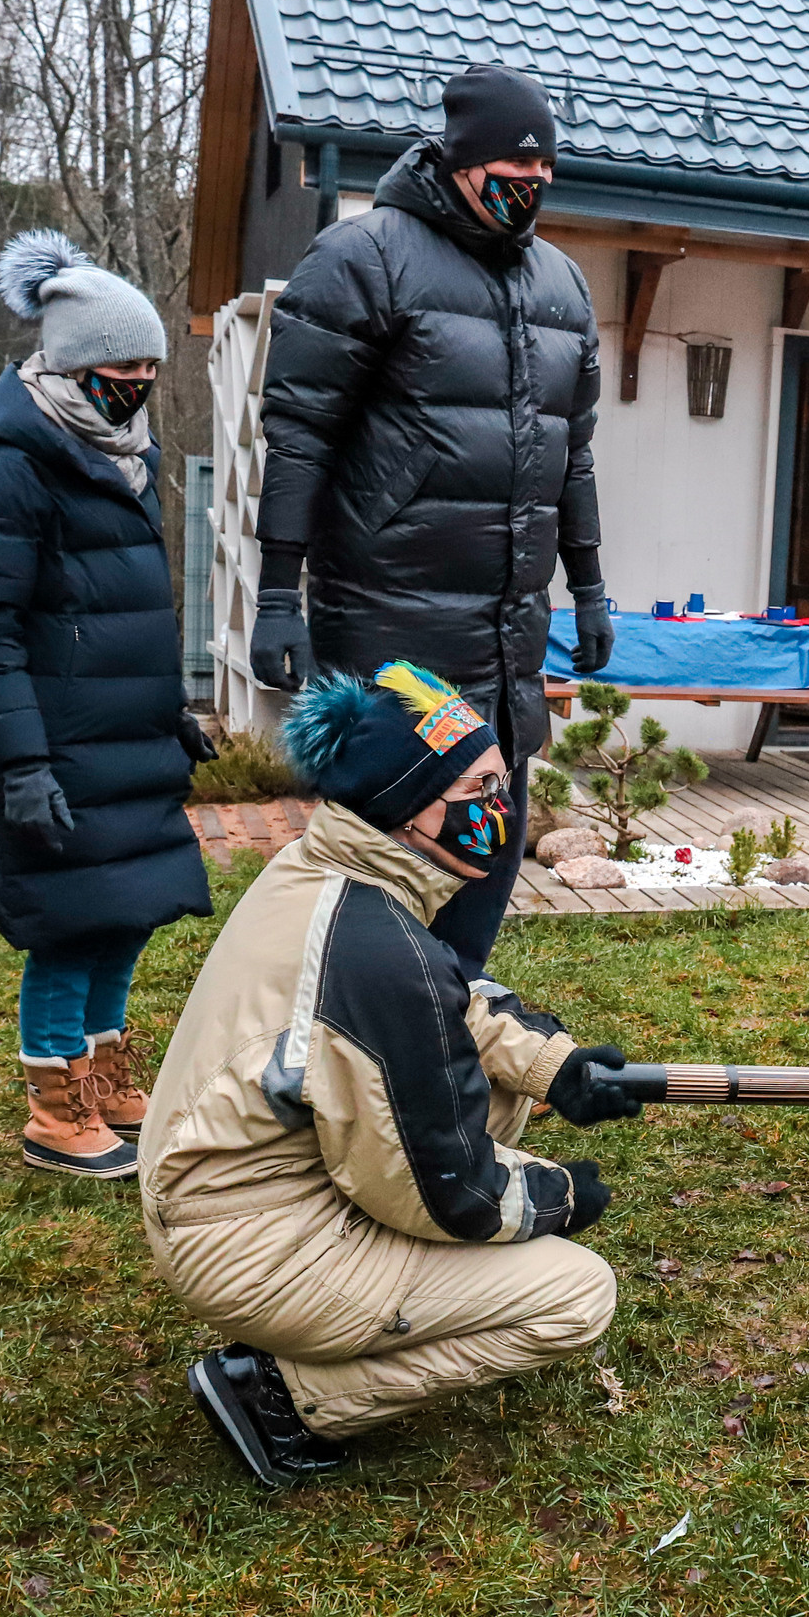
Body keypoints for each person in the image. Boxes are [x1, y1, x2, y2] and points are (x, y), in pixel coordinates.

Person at [141, 659, 643, 1488]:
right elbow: (440, 1190)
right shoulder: (374, 951)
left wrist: (558, 1068)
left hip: (220, 1186)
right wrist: (555, 1196)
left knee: (499, 1085)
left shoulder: (334, 873)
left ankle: (305, 1336)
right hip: (250, 1240)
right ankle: (281, 1394)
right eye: (481, 788)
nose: (504, 807)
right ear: (412, 805)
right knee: (575, 1293)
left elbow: (455, 998)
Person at [249, 63, 608, 981]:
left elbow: (574, 454)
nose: (531, 193)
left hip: (505, 645)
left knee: (484, 862)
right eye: (513, 176)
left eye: (544, 179)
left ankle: (444, 1053)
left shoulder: (562, 286)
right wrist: (276, 593)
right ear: (460, 161)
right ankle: (350, 1055)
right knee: (383, 884)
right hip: (390, 623)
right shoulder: (362, 258)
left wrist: (591, 583)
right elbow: (297, 438)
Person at [0, 230, 215, 1180]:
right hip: (56, 745)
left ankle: (103, 1072)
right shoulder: (9, 463)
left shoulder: (119, 451)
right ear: (70, 365)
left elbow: (124, 609)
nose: (139, 381)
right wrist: (19, 763)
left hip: (123, 736)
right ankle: (54, 1108)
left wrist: (169, 712)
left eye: (149, 365)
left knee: (126, 911)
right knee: (68, 923)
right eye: (122, 365)